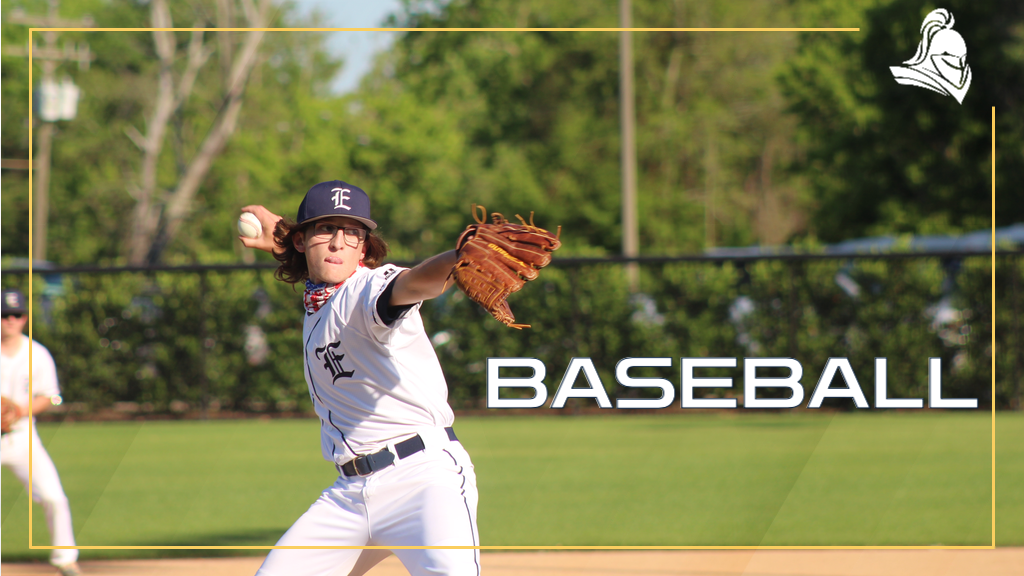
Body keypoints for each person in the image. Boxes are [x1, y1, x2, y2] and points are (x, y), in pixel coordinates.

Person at [239, 181, 480, 576]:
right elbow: (322, 270)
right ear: (301, 241)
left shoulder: (367, 290)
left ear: (364, 248)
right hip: (350, 496)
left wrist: (459, 258)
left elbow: (413, 282)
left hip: (422, 481)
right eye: (325, 229)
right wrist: (283, 238)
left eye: (352, 232)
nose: (338, 242)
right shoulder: (321, 297)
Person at [1, 289, 81, 576]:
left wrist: (20, 410)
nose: (10, 320)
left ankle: (66, 562)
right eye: (4, 315)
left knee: (54, 497)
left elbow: (52, 397)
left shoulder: (38, 354)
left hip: (23, 437)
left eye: (16, 314)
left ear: (24, 318)